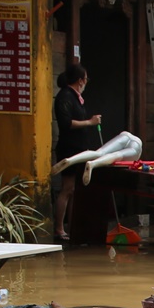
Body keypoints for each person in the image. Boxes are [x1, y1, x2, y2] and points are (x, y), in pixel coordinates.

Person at [52, 65, 102, 242]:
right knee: (67, 188)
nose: (86, 82)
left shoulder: (76, 97)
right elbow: (66, 123)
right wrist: (89, 122)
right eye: (86, 79)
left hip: (79, 148)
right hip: (69, 149)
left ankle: (73, 228)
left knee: (75, 190)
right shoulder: (65, 97)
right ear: (80, 80)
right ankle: (59, 228)